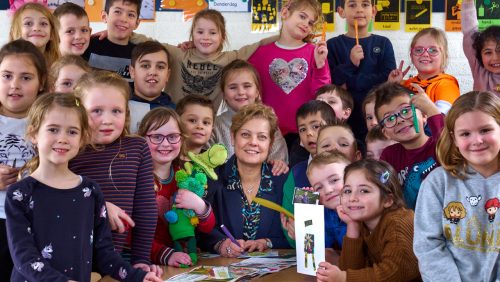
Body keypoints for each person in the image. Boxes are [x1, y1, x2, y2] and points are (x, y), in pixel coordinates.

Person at [6, 93, 161, 282]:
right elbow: (24, 258)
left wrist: (138, 277)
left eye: (72, 132)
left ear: (82, 139)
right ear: (33, 134)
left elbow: (105, 255)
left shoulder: (90, 191)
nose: (62, 138)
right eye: (53, 129)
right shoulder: (20, 193)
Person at [70, 71, 160, 276]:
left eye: (116, 111)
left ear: (126, 114)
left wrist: (141, 259)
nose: (107, 120)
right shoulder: (70, 150)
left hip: (116, 263)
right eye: (97, 111)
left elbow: (145, 208)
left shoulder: (137, 148)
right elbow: (56, 202)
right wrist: (98, 207)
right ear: (79, 112)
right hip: (72, 260)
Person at [414, 91, 500, 281]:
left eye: (485, 130)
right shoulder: (437, 183)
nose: (477, 141)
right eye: (465, 134)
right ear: (454, 138)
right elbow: (428, 245)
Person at [129, 9, 277, 112]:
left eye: (212, 33)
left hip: (203, 125)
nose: (206, 37)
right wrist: (112, 33)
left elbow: (261, 43)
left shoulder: (229, 59)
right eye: (200, 32)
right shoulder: (179, 54)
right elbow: (146, 41)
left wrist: (295, 36)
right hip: (172, 118)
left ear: (222, 37)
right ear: (192, 34)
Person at [200, 103, 290, 257]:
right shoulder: (212, 177)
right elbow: (200, 229)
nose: (253, 142)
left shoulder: (284, 180)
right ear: (232, 137)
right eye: (245, 135)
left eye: (261, 137)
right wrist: (220, 244)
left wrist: (268, 242)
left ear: (271, 142)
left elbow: (298, 233)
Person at [316, 159, 420, 282]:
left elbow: (397, 272)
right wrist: (352, 225)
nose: (352, 198)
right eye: (347, 191)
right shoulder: (363, 221)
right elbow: (350, 268)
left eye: (364, 191)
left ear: (387, 200)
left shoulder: (399, 223)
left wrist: (344, 278)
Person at [137, 108, 215, 267]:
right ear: (142, 139)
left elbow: (207, 228)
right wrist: (166, 254)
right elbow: (131, 236)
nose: (165, 144)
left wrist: (199, 206)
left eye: (172, 137)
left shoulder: (185, 176)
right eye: (156, 137)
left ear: (182, 139)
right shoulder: (136, 179)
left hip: (181, 260)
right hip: (145, 262)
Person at [0, 39, 48, 282]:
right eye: (6, 76)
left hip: (34, 225)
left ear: (41, 83)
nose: (14, 85)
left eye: (26, 78)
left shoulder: (49, 123)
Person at [248, 0, 330, 139]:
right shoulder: (259, 53)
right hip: (268, 131)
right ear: (285, 13)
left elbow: (322, 95)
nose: (306, 24)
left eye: (310, 23)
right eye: (302, 16)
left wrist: (320, 66)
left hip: (305, 134)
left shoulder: (314, 52)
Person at [327, 0, 396, 142]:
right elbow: (332, 81)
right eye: (352, 5)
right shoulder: (332, 45)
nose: (359, 10)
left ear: (374, 11)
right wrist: (351, 63)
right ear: (341, 12)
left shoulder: (383, 43)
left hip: (377, 117)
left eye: (365, 5)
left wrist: (351, 83)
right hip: (345, 120)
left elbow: (387, 78)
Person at [375, 82, 444, 209]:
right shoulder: (389, 155)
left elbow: (452, 149)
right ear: (385, 133)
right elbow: (383, 191)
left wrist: (432, 110)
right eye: (389, 119)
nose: (400, 120)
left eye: (406, 110)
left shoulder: (439, 143)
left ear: (424, 115)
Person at [210, 59, 289, 169]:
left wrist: (277, 163)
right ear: (224, 94)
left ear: (257, 91)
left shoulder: (268, 121)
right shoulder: (214, 125)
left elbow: (278, 155)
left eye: (247, 86)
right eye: (233, 87)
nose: (241, 92)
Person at [282, 101, 337, 234]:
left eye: (316, 126)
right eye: (302, 129)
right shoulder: (298, 174)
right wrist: (293, 232)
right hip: (311, 251)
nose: (309, 133)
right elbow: (291, 221)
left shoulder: (350, 170)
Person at [388, 28, 460, 114]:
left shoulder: (447, 85)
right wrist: (392, 86)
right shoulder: (406, 84)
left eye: (433, 50)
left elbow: (442, 122)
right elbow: (388, 113)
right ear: (411, 55)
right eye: (418, 50)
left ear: (444, 55)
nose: (425, 54)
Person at [83, 0, 140, 80]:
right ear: (104, 17)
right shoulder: (87, 45)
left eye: (130, 15)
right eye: (117, 12)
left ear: (136, 23)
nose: (124, 19)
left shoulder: (140, 54)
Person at [128, 41, 176, 132]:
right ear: (132, 72)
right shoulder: (119, 107)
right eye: (145, 66)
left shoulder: (176, 112)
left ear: (168, 75)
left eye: (160, 67)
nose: (153, 72)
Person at [461, 0, 499, 95]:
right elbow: (470, 31)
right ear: (479, 55)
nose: (495, 58)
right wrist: (468, 2)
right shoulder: (479, 70)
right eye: (488, 52)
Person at [9, 2, 60, 67]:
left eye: (43, 23)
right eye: (28, 23)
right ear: (16, 31)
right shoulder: (5, 65)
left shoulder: (58, 68)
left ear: (52, 33)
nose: (36, 28)